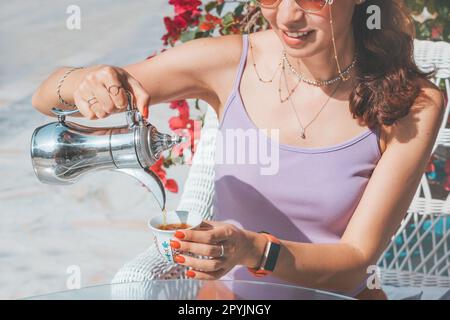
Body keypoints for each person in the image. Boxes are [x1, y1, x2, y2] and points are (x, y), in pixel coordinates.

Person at [32, 0, 445, 300]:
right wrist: (85, 81)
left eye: (312, 0)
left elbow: (355, 262)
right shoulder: (232, 62)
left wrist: (253, 249)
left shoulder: (413, 103)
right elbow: (46, 96)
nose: (287, 15)